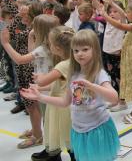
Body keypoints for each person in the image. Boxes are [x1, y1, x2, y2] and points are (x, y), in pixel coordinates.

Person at [21, 30, 120, 161]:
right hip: (78, 130)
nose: (80, 54)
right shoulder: (73, 74)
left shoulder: (98, 73)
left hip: (97, 129)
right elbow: (65, 102)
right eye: (76, 50)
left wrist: (91, 85)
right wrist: (40, 97)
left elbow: (114, 98)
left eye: (85, 49)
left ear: (95, 50)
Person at [1, 13, 59, 149]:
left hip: (46, 89)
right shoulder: (49, 45)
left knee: (49, 119)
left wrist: (5, 43)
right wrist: (31, 35)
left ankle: (50, 146)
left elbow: (20, 59)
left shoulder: (43, 48)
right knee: (47, 117)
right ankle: (48, 143)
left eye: (35, 28)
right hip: (45, 87)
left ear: (41, 31)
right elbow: (31, 51)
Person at [97, 0, 132, 124]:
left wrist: (104, 15)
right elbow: (123, 14)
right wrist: (112, 2)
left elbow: (119, 25)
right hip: (130, 58)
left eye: (128, 12)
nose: (125, 14)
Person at [31, 26, 76, 161]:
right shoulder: (72, 62)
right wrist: (40, 88)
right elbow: (60, 83)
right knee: (67, 133)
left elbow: (43, 81)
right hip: (66, 102)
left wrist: (39, 78)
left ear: (57, 48)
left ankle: (58, 154)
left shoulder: (61, 66)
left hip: (60, 105)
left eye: (50, 43)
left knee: (60, 131)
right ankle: (62, 153)